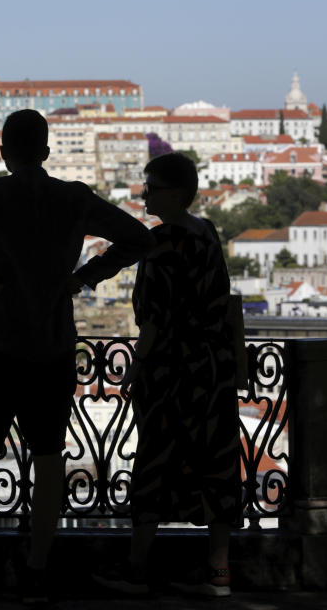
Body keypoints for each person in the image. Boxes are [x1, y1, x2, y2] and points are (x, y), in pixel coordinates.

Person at [0, 109, 154, 603]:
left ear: (3, 152)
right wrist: (85, 276)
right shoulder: (73, 198)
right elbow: (140, 239)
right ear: (46, 152)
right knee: (48, 460)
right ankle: (38, 570)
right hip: (53, 342)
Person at [93, 152, 242, 597]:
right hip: (213, 366)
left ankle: (138, 567)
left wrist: (138, 367)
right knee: (216, 460)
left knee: (156, 458)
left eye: (151, 187)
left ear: (174, 193)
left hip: (173, 367)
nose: (144, 193)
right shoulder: (209, 234)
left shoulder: (161, 244)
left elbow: (154, 318)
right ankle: (218, 571)